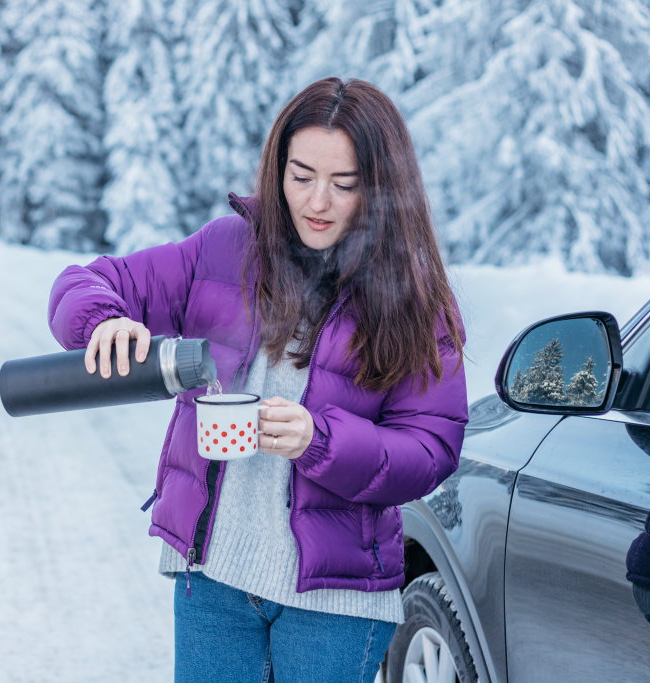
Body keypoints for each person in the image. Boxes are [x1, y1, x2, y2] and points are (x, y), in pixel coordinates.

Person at [48, 77, 468, 682]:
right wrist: (102, 321)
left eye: (343, 184)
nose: (317, 201)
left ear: (379, 189)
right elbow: (85, 282)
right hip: (212, 582)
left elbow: (430, 450)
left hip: (336, 601)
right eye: (301, 177)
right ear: (278, 171)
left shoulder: (415, 300)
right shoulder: (227, 252)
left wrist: (316, 440)